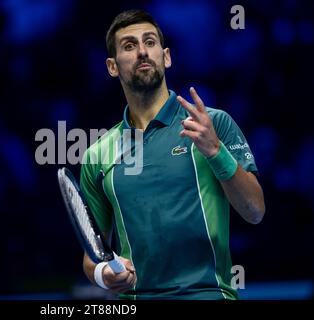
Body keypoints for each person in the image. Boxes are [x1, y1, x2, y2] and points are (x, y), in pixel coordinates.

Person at [79, 9, 265, 300]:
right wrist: (104, 275)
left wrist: (215, 151)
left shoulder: (213, 124)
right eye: (129, 45)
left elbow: (254, 211)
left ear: (166, 56)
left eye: (150, 42)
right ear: (112, 66)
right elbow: (93, 252)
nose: (142, 51)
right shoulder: (97, 154)